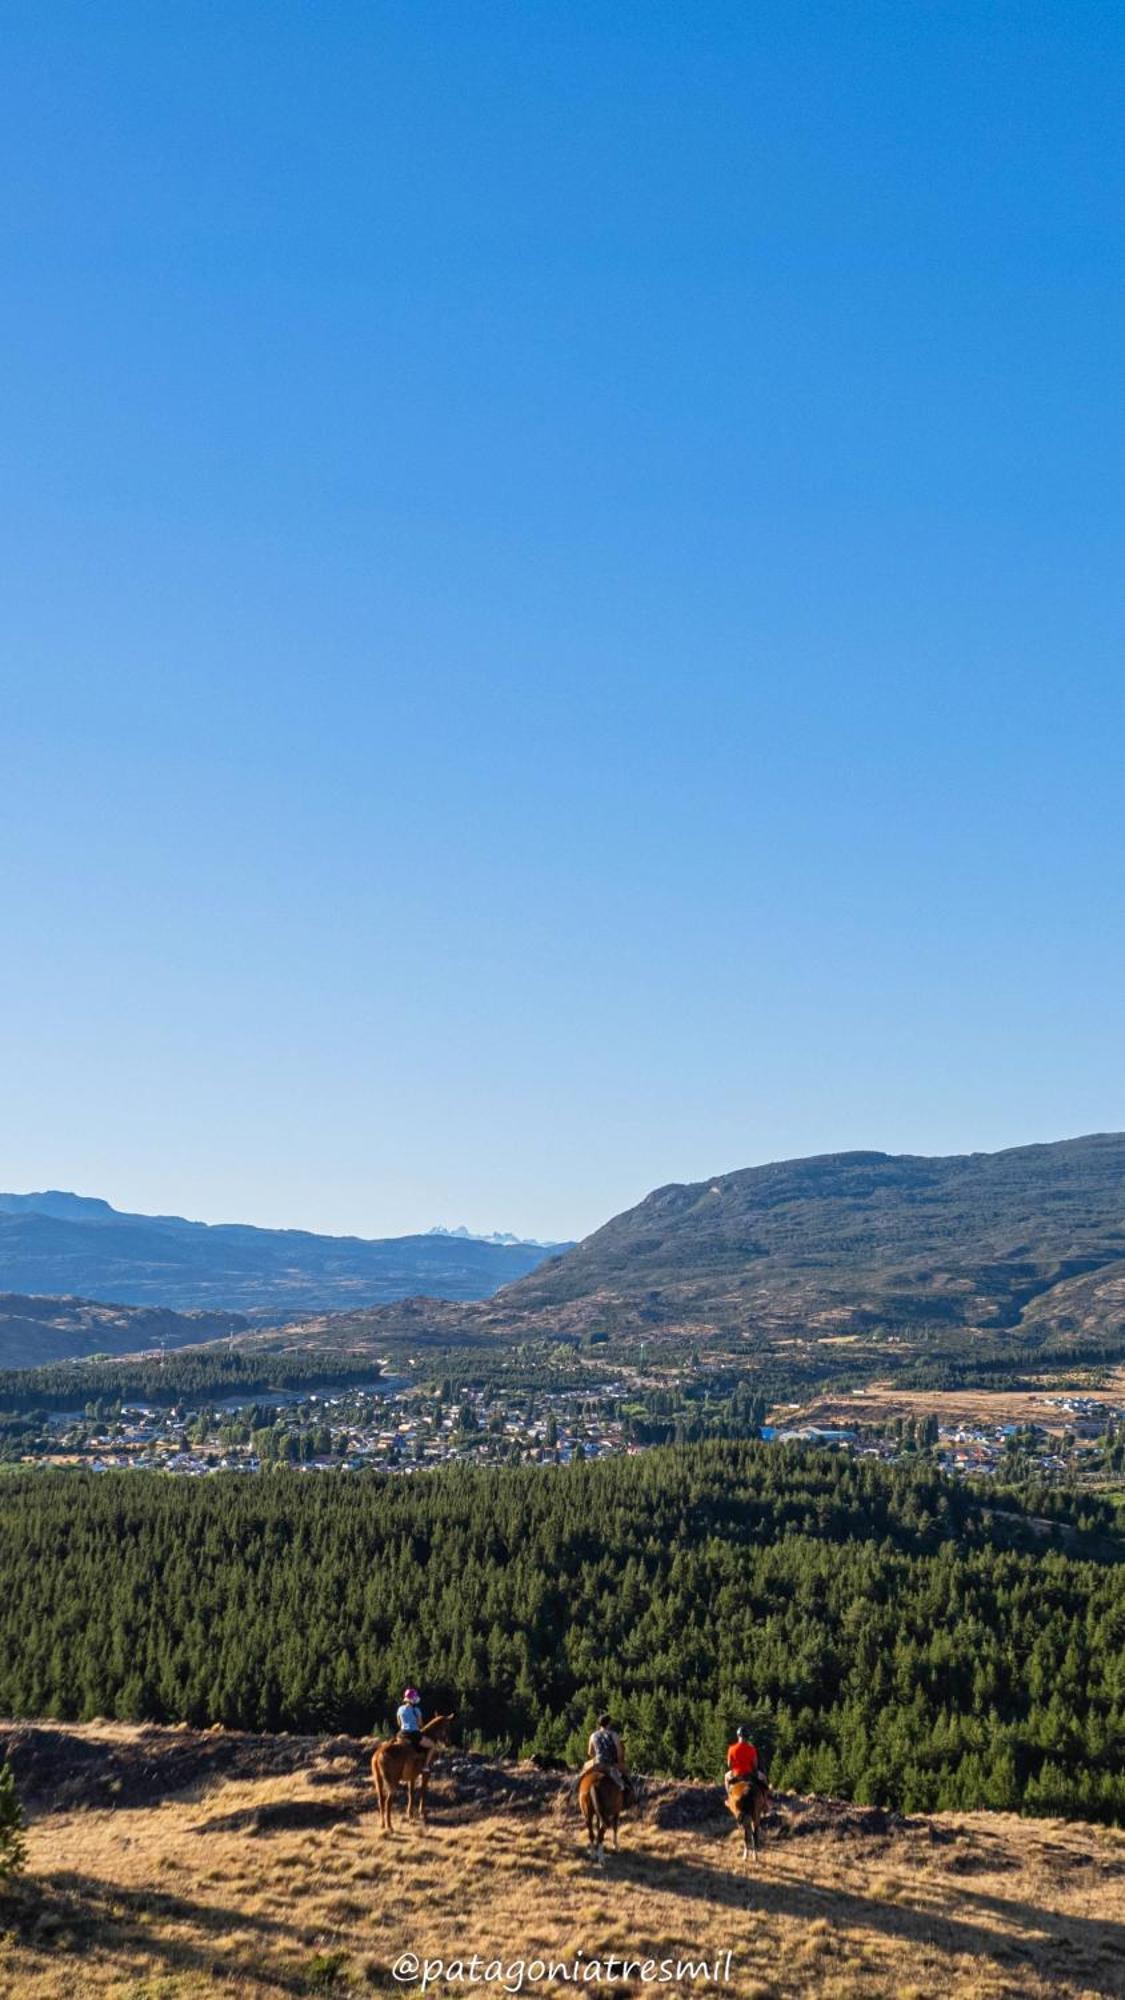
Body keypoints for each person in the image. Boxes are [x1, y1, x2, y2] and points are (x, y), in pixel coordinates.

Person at [580, 1713, 627, 1792]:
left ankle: (573, 1790)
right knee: (627, 1773)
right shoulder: (614, 1735)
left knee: (582, 1772)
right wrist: (619, 1762)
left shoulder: (593, 1735)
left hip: (597, 1763)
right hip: (610, 1764)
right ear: (609, 1723)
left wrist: (597, 1757)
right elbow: (619, 1752)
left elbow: (590, 1753)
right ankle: (632, 1792)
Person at [724, 1725, 760, 1792]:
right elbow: (755, 1765)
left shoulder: (731, 1748)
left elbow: (729, 1765)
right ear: (747, 1737)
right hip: (748, 1775)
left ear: (738, 1736)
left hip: (736, 1774)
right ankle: (765, 1799)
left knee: (726, 1776)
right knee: (763, 1778)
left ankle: (729, 1795)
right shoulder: (751, 1749)